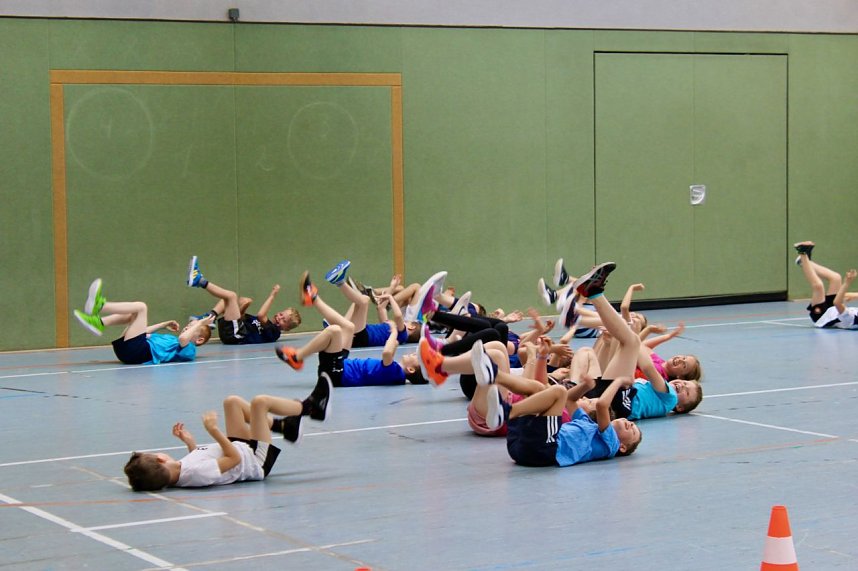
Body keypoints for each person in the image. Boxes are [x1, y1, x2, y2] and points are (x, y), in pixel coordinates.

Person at [123, 374, 332, 491]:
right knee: (260, 403)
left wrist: (190, 443)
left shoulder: (180, 471)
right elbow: (232, 459)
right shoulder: (194, 475)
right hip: (255, 460)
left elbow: (202, 459)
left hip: (240, 448)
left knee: (231, 402)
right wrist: (214, 431)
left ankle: (286, 427)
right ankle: (311, 407)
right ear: (160, 459)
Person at [274, 271, 426, 386]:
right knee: (348, 326)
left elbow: (387, 353)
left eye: (415, 357)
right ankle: (313, 298)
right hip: (342, 364)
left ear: (411, 370)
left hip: (335, 374)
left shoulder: (396, 373)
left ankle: (297, 357)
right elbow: (389, 351)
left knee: (335, 330)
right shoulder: (396, 373)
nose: (413, 353)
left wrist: (393, 334)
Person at [73, 278, 212, 365]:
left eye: (191, 328)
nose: (187, 328)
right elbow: (142, 332)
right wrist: (163, 325)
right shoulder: (171, 340)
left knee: (141, 307)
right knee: (132, 314)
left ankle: (100, 306)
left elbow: (183, 339)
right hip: (130, 351)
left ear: (199, 340)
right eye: (188, 326)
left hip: (138, 353)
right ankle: (99, 323)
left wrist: (200, 323)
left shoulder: (190, 350)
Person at [186, 256, 300, 345]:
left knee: (231, 296)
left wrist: (273, 295)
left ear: (287, 328)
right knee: (229, 298)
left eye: (284, 320)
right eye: (281, 314)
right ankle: (210, 317)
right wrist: (244, 307)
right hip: (233, 331)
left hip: (236, 336)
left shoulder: (274, 332)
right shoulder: (258, 322)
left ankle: (199, 280)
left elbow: (261, 315)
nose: (279, 317)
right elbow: (240, 318)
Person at [321, 261, 421, 345]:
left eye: (408, 322)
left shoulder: (402, 335)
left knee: (364, 300)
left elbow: (398, 316)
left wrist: (391, 298)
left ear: (411, 327)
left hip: (363, 336)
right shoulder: (390, 327)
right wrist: (392, 287)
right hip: (360, 334)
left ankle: (339, 281)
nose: (405, 321)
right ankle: (338, 326)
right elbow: (381, 308)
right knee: (359, 300)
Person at [794, 242, 858, 328]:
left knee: (818, 286)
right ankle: (804, 262)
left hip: (821, 316)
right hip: (832, 308)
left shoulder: (851, 319)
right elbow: (845, 296)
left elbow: (837, 302)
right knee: (836, 278)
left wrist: (847, 283)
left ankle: (802, 252)